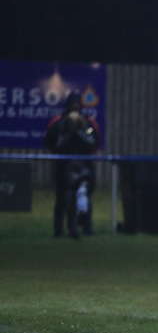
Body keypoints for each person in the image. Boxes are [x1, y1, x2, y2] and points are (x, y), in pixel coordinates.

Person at [44, 90, 100, 238]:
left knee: (84, 197)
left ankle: (86, 228)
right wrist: (69, 131)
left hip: (84, 165)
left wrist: (79, 131)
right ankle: (58, 230)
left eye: (77, 105)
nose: (74, 108)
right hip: (64, 165)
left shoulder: (88, 123)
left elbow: (94, 143)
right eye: (72, 105)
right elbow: (53, 144)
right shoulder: (59, 122)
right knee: (63, 198)